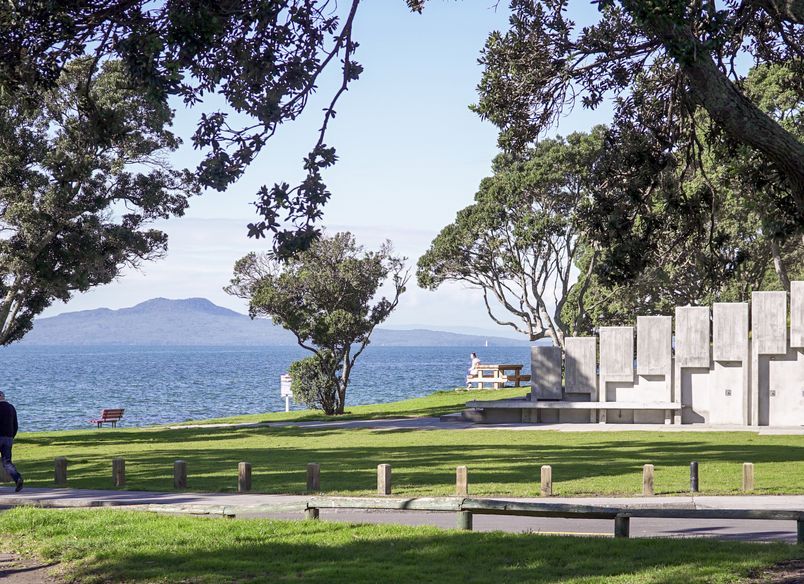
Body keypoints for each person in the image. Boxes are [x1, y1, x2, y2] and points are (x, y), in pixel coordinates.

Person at [0, 390, 23, 492]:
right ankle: (17, 478)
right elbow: (15, 425)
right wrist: (11, 436)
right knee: (7, 462)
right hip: (8, 438)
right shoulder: (11, 408)